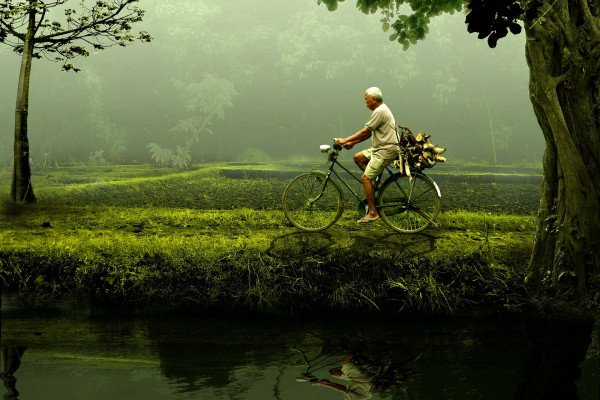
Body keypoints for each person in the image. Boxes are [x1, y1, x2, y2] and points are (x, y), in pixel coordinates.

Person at [335, 87, 398, 224]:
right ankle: (378, 184)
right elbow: (369, 133)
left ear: (373, 100)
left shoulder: (379, 111)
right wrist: (352, 142)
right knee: (358, 157)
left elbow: (365, 131)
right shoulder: (380, 110)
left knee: (365, 179)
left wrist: (345, 140)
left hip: (384, 150)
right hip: (379, 148)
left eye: (366, 99)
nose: (365, 102)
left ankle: (373, 213)